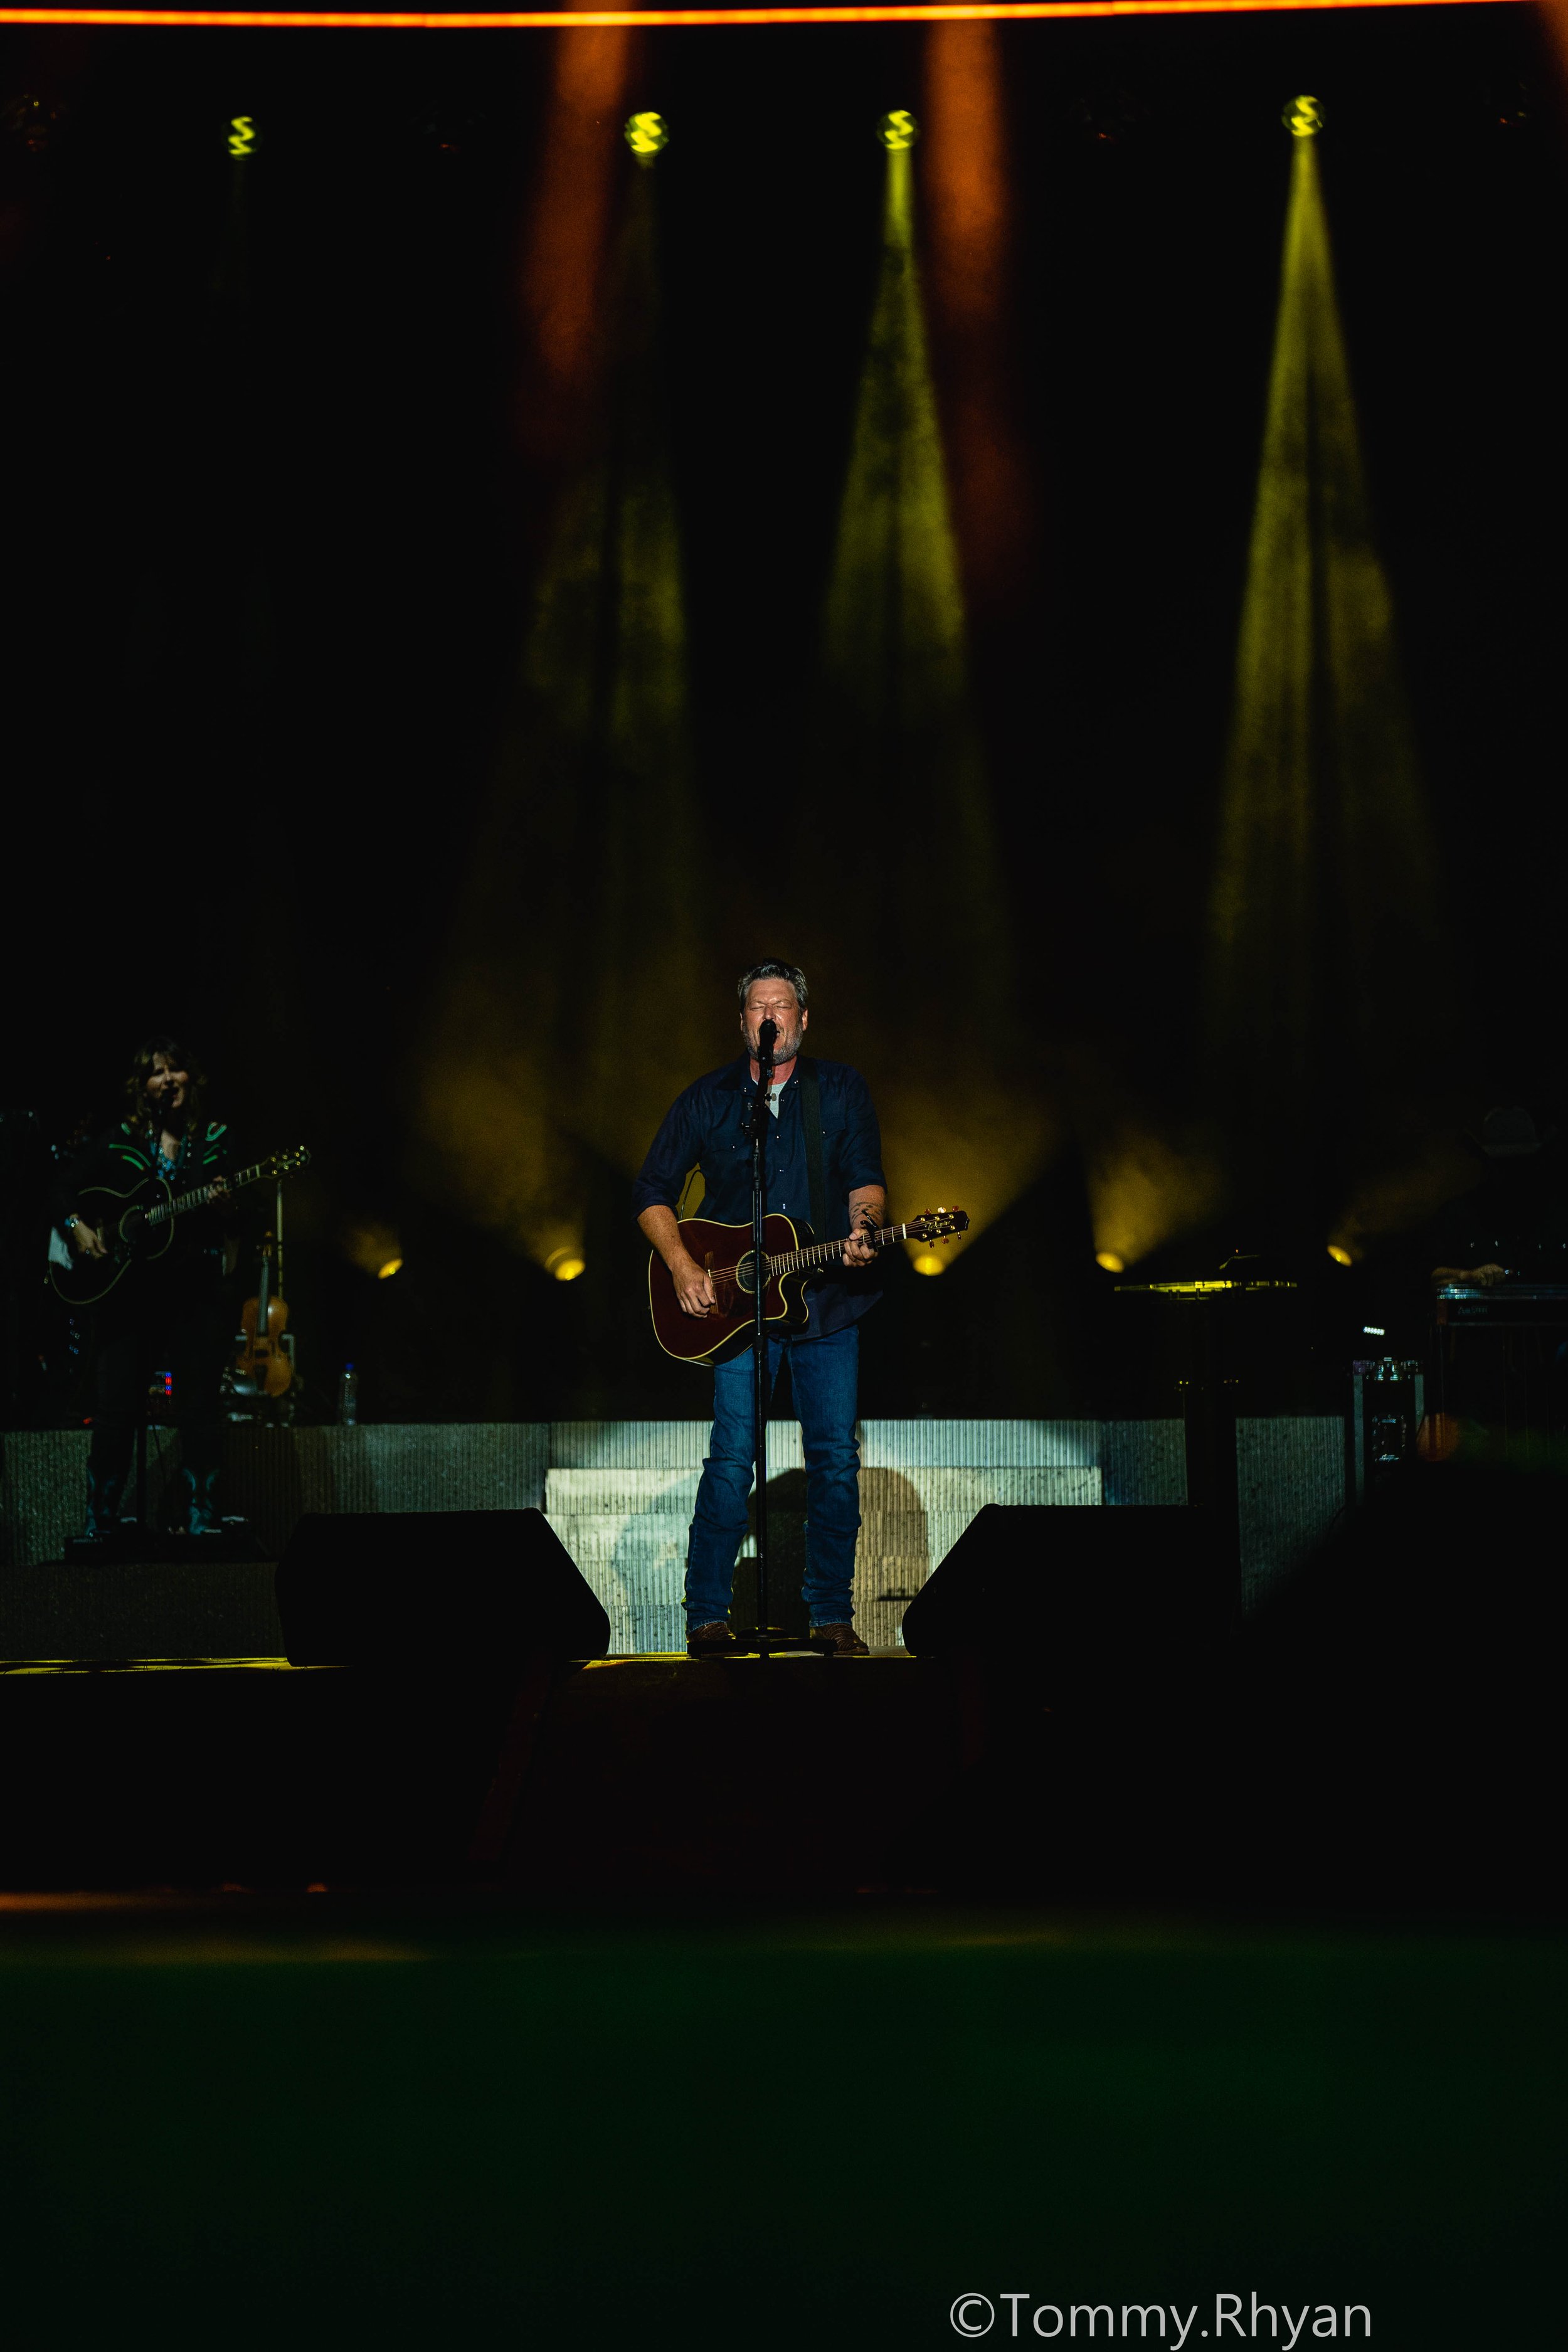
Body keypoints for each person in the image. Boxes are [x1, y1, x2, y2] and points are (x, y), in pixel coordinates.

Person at [635, 961, 886, 1657]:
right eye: (756, 1005)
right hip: (734, 1310)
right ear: (741, 1020)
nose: (768, 1015)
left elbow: (865, 1178)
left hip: (829, 1304)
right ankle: (707, 1616)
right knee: (730, 1460)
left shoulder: (837, 1090)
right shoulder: (708, 1098)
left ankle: (830, 1614)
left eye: (781, 1004)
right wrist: (684, 1266)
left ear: (803, 1020)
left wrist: (865, 1230)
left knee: (833, 1460)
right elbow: (652, 1190)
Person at [53, 1036, 237, 1538]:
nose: (168, 1080)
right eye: (157, 1072)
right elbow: (62, 1186)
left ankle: (203, 1520)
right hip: (128, 1293)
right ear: (142, 1086)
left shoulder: (215, 1139)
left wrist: (226, 1207)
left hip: (194, 1290)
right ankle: (102, 1520)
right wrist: (77, 1225)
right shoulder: (120, 1141)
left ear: (190, 1080)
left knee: (199, 1406)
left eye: (176, 1070)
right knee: (116, 1409)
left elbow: (244, 1213)